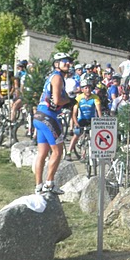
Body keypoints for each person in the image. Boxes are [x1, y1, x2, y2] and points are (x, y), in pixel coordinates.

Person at [33, 52, 73, 194]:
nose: (68, 63)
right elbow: (57, 101)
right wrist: (69, 100)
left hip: (39, 116)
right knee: (58, 151)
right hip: (48, 117)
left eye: (69, 61)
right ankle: (49, 184)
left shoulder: (52, 77)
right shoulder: (57, 77)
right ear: (56, 64)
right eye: (64, 61)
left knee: (42, 153)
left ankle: (38, 186)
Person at [66, 79, 102, 161]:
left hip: (92, 120)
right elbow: (74, 114)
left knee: (95, 136)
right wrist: (76, 123)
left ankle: (87, 154)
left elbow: (99, 111)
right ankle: (68, 152)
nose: (88, 90)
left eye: (89, 88)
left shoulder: (95, 98)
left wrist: (100, 122)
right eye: (86, 88)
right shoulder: (78, 98)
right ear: (82, 89)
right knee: (76, 135)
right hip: (81, 120)